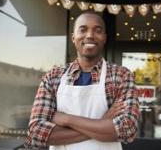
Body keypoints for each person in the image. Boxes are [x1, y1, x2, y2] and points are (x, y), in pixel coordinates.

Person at [25, 11, 139, 150]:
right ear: (74, 38)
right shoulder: (54, 76)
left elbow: (127, 129)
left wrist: (67, 119)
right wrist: (103, 123)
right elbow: (36, 133)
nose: (90, 35)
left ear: (104, 38)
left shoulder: (121, 76)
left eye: (97, 30)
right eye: (83, 29)